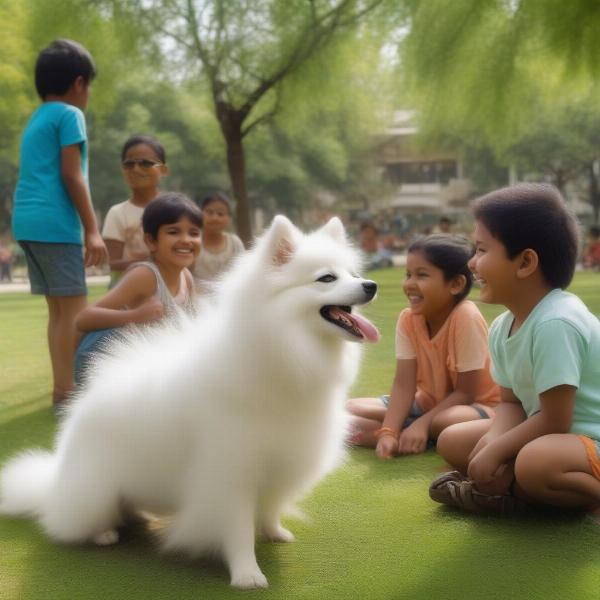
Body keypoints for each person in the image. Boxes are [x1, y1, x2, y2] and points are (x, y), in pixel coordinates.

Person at [430, 183, 600, 515]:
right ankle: (515, 489)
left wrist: (498, 450)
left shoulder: (557, 322)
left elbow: (554, 419)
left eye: (481, 250)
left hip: (586, 439)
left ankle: (538, 492)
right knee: (453, 440)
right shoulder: (503, 325)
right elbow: (510, 403)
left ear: (525, 263)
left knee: (535, 463)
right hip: (553, 436)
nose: (472, 264)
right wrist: (494, 437)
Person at [11, 39, 107, 410]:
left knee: (58, 312)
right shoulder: (70, 115)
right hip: (55, 223)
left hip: (28, 223)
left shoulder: (37, 118)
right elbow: (72, 176)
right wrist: (92, 228)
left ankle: (61, 390)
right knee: (76, 312)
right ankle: (71, 395)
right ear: (79, 83)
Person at [347, 234, 500, 459]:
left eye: (422, 275)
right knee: (351, 408)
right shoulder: (408, 319)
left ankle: (420, 434)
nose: (410, 284)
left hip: (476, 407)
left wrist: (423, 424)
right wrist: (388, 431)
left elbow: (466, 393)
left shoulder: (465, 316)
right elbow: (403, 385)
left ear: (456, 284)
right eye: (408, 274)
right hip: (426, 403)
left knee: (446, 421)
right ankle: (404, 435)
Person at [74, 192, 202, 385]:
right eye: (173, 232)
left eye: (193, 233)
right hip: (115, 370)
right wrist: (136, 315)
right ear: (151, 241)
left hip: (153, 366)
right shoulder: (146, 276)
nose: (186, 240)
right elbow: (83, 318)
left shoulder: (186, 277)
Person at [102, 135, 169, 287]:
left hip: (169, 292)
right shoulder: (117, 213)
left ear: (164, 170)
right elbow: (112, 262)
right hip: (126, 294)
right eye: (129, 164)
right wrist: (155, 261)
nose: (136, 169)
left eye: (146, 163)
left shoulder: (175, 209)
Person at [191, 192, 244, 293]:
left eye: (220, 214)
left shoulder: (234, 243)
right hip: (198, 302)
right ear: (199, 214)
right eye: (209, 212)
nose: (215, 218)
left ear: (229, 219)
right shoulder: (192, 242)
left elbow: (243, 272)